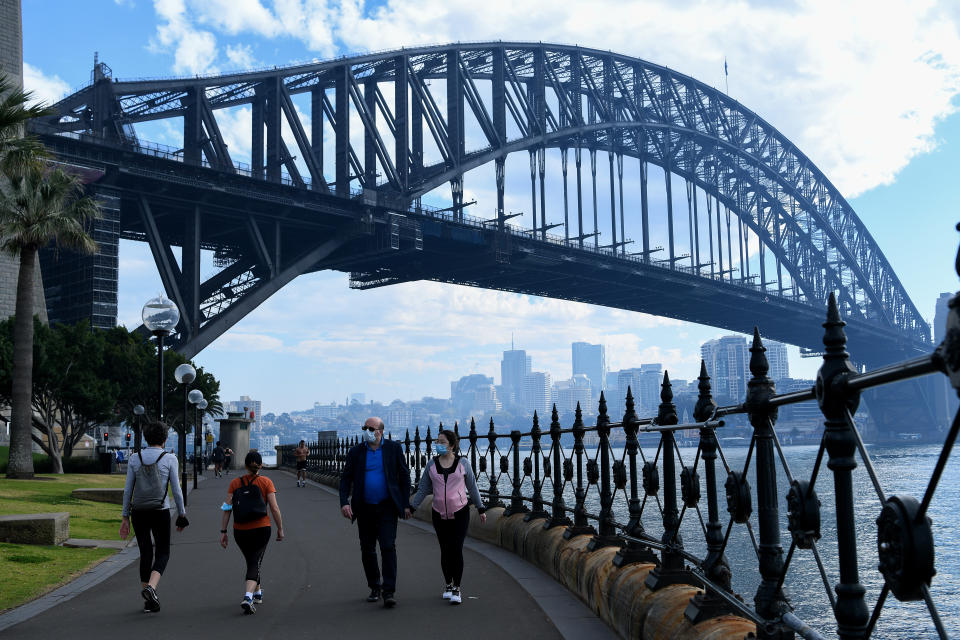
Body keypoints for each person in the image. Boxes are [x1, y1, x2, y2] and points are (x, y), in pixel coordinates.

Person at [339, 417, 411, 608]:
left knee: (388, 546)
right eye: (364, 428)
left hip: (387, 506)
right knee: (367, 548)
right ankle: (374, 587)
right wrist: (344, 503)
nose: (366, 431)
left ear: (380, 431)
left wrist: (405, 504)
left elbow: (404, 476)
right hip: (364, 507)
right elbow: (345, 479)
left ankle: (389, 591)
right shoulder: (356, 452)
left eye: (370, 428)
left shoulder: (393, 449)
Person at [409, 429, 486, 605]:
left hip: (460, 512)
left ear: (452, 445)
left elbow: (472, 488)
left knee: (456, 549)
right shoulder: (431, 465)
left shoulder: (463, 463)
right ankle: (448, 584)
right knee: (445, 550)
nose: (438, 445)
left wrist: (481, 508)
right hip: (438, 513)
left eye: (442, 442)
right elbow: (423, 489)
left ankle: (457, 588)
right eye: (437, 441)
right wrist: (412, 507)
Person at [119, 421, 189, 613]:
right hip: (160, 511)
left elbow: (128, 490)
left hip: (139, 512)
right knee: (163, 552)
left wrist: (125, 516)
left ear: (145, 437)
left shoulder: (135, 458)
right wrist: (182, 513)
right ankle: (152, 587)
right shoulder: (170, 458)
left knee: (145, 553)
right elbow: (176, 490)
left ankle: (148, 600)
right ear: (165, 439)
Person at [220, 450, 284, 615]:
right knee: (255, 561)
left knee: (252, 560)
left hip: (240, 530)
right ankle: (248, 597)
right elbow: (274, 508)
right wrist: (280, 529)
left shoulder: (235, 483)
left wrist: (223, 531)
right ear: (260, 466)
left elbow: (227, 509)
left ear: (245, 465)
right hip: (262, 528)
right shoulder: (266, 482)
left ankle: (257, 593)